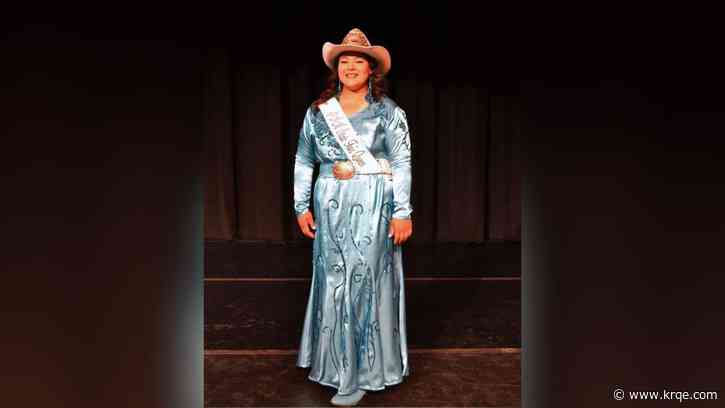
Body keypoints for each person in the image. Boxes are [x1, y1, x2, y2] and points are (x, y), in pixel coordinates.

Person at [293, 28, 413, 406]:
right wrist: (300, 205)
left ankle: (360, 374)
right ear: (336, 68)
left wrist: (402, 211)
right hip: (330, 206)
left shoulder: (389, 112)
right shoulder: (318, 112)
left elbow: (401, 162)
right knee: (333, 281)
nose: (350, 67)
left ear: (371, 69)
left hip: (373, 205)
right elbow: (304, 159)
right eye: (344, 61)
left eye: (357, 61)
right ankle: (332, 366)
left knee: (364, 281)